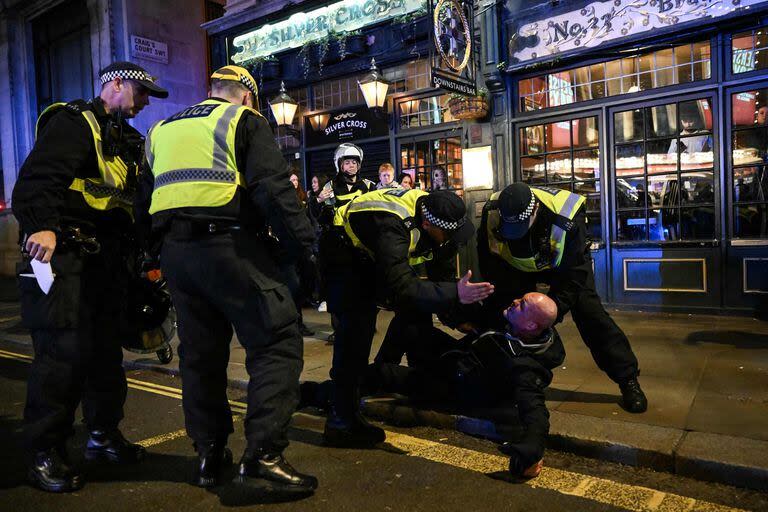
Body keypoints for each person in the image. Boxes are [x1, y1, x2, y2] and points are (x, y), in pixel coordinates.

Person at [135, 65, 317, 493]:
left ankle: (209, 454)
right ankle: (264, 456)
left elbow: (142, 204)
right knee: (276, 341)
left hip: (178, 256)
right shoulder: (242, 121)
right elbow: (273, 191)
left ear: (210, 91)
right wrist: (304, 251)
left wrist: (151, 256)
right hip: (231, 248)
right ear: (247, 96)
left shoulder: (160, 130)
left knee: (200, 356)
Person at [13, 61, 168, 493]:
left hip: (104, 267)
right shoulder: (74, 123)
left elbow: (131, 208)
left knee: (104, 358)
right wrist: (41, 223)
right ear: (114, 84)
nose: (143, 105)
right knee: (62, 358)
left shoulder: (126, 141)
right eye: (140, 94)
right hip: (61, 258)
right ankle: (44, 452)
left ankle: (103, 436)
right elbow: (35, 182)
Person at [323, 187, 494, 447]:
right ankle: (341, 422)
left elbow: (441, 277)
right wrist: (454, 293)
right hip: (343, 256)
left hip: (371, 258)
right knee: (356, 333)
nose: (452, 240)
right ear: (427, 225)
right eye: (448, 234)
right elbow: (400, 288)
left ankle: (386, 376)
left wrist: (456, 316)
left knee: (418, 307)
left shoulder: (437, 217)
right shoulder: (392, 227)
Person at [478, 183, 647, 413]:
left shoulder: (567, 216)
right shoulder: (492, 211)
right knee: (504, 316)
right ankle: (509, 381)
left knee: (591, 315)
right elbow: (488, 261)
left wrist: (553, 311)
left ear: (536, 209)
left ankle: (627, 379)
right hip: (513, 268)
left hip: (564, 267)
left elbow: (575, 277)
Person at [366, 293, 563, 479]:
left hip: (449, 387)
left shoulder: (524, 367)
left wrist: (532, 449)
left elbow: (535, 408)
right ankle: (378, 384)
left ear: (530, 324)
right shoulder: (518, 325)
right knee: (406, 324)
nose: (515, 301)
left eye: (522, 304)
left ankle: (347, 394)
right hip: (454, 358)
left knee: (382, 372)